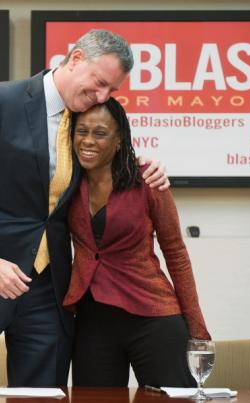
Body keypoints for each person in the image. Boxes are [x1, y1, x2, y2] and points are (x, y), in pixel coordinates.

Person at [0, 29, 169, 387]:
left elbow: (106, 165)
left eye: (111, 91)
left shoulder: (86, 123)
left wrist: (149, 168)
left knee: (43, 397)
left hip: (47, 291)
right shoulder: (0, 101)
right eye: (99, 82)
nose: (101, 96)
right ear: (75, 59)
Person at [63, 97, 211, 388]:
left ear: (120, 138)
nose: (88, 141)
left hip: (152, 316)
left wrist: (196, 326)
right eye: (82, 131)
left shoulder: (147, 180)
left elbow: (175, 252)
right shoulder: (67, 180)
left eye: (100, 133)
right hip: (93, 320)